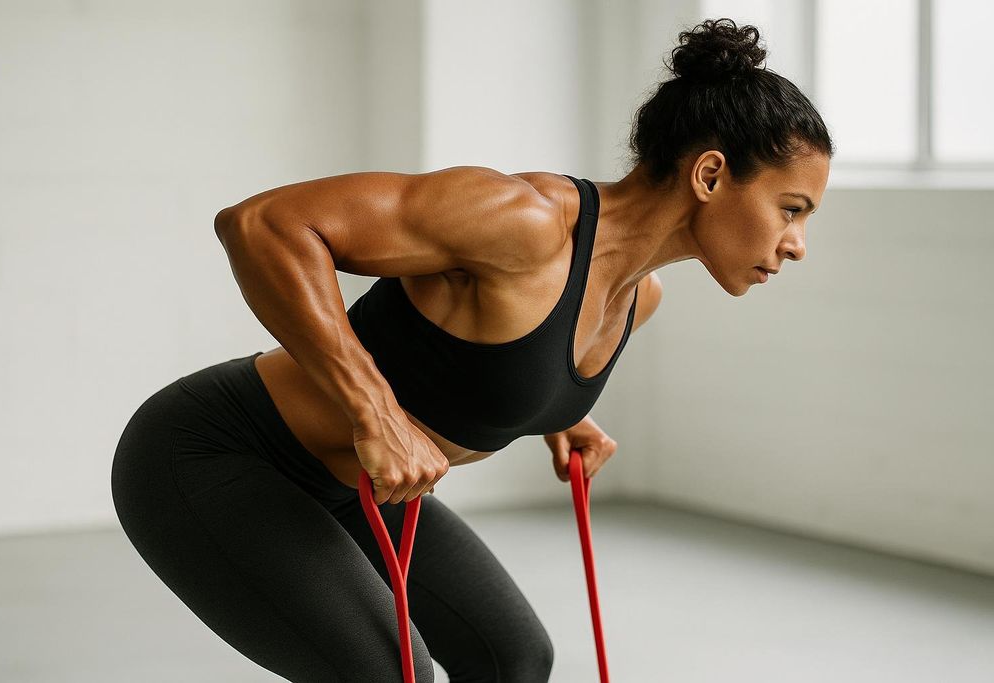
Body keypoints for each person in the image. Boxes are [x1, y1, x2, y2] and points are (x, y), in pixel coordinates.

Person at [111, 17, 833, 683]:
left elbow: (493, 354)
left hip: (357, 490)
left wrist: (558, 415)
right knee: (392, 674)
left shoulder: (635, 300)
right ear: (709, 175)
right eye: (791, 210)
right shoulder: (523, 223)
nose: (797, 243)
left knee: (512, 657)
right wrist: (375, 410)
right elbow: (263, 224)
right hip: (215, 454)